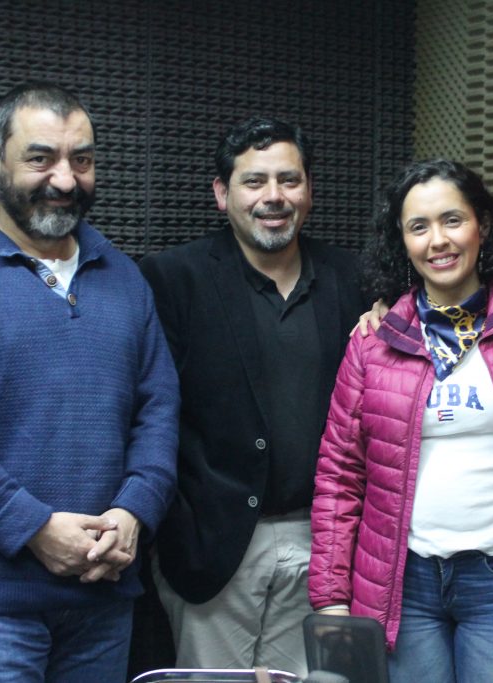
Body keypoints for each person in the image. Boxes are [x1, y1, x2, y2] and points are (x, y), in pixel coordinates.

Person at [0, 81, 180, 682]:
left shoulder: (125, 279)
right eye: (41, 158)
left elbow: (159, 411)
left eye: (82, 160)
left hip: (103, 595)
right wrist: (33, 529)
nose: (65, 180)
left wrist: (134, 511)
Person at [309, 159, 493, 683]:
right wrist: (330, 595)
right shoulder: (374, 341)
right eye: (419, 227)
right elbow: (339, 475)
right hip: (403, 584)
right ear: (402, 241)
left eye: (452, 220)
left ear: (482, 225)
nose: (438, 241)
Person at [140, 117, 366, 677]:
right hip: (213, 547)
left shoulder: (354, 279)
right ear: (222, 194)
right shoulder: (172, 279)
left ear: (309, 190)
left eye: (289, 179)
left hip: (325, 545)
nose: (274, 196)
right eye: (254, 181)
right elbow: (146, 413)